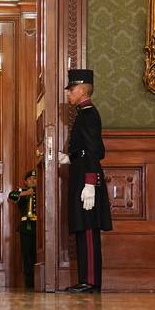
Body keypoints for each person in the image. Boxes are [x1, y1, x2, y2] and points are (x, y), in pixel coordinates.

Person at [61, 69, 112, 293]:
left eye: (71, 89)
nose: (68, 94)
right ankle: (85, 280)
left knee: (89, 229)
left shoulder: (89, 113)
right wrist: (69, 157)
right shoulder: (83, 113)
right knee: (83, 228)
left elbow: (94, 151)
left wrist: (90, 183)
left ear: (82, 90)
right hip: (81, 173)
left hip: (86, 177)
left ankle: (90, 281)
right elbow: (86, 149)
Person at [8, 170, 38, 288]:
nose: (32, 181)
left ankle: (38, 281)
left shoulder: (41, 191)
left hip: (38, 228)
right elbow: (11, 196)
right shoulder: (22, 192)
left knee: (37, 255)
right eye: (29, 179)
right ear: (25, 182)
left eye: (35, 179)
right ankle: (29, 282)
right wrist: (26, 193)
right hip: (25, 227)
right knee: (26, 255)